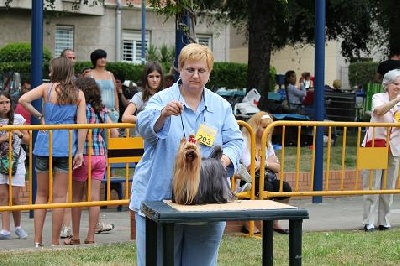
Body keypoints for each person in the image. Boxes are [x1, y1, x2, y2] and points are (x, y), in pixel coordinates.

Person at [129, 43, 243, 265]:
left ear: (209, 74)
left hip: (206, 204)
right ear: (180, 69)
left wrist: (224, 160)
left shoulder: (220, 106)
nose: (195, 75)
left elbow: (235, 141)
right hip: (159, 200)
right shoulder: (162, 99)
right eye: (190, 69)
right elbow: (143, 127)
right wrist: (162, 115)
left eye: (202, 70)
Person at [18, 57, 87, 247]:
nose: (49, 73)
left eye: (50, 70)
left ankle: (37, 241)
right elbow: (82, 126)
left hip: (43, 145)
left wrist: (40, 115)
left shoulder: (45, 89)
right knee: (59, 197)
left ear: (55, 71)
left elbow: (23, 100)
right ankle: (55, 241)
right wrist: (79, 151)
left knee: (41, 195)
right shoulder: (78, 94)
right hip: (65, 148)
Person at [63, 78, 118, 245]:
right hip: (100, 155)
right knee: (95, 198)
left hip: (83, 155)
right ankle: (91, 237)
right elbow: (114, 133)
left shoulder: (80, 108)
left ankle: (76, 236)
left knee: (77, 199)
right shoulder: (101, 109)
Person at [239, 111, 292, 234]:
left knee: (284, 187)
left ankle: (274, 222)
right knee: (265, 187)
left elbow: (277, 167)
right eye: (264, 127)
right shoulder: (244, 140)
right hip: (247, 179)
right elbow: (250, 166)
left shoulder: (267, 143)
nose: (267, 130)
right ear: (256, 126)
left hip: (266, 176)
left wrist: (262, 163)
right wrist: (268, 162)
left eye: (269, 127)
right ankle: (249, 224)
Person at [362, 69, 400, 232]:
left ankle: (383, 220)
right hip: (373, 145)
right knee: (371, 185)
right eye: (396, 84)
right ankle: (368, 221)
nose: (398, 87)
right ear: (387, 85)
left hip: (395, 147)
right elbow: (378, 111)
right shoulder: (378, 97)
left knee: (388, 186)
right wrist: (396, 101)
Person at [0, 91, 29, 240]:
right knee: (3, 196)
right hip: (0, 163)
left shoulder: (18, 119)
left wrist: (20, 134)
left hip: (16, 162)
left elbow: (29, 140)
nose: (5, 106)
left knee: (15, 197)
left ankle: (18, 226)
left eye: (7, 102)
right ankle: (5, 229)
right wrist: (4, 137)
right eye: (1, 103)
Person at [87, 49, 119, 123]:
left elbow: (115, 93)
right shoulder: (90, 75)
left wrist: (117, 110)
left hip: (112, 112)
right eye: (100, 58)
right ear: (95, 60)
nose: (103, 60)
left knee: (114, 134)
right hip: (97, 112)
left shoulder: (110, 75)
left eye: (104, 57)